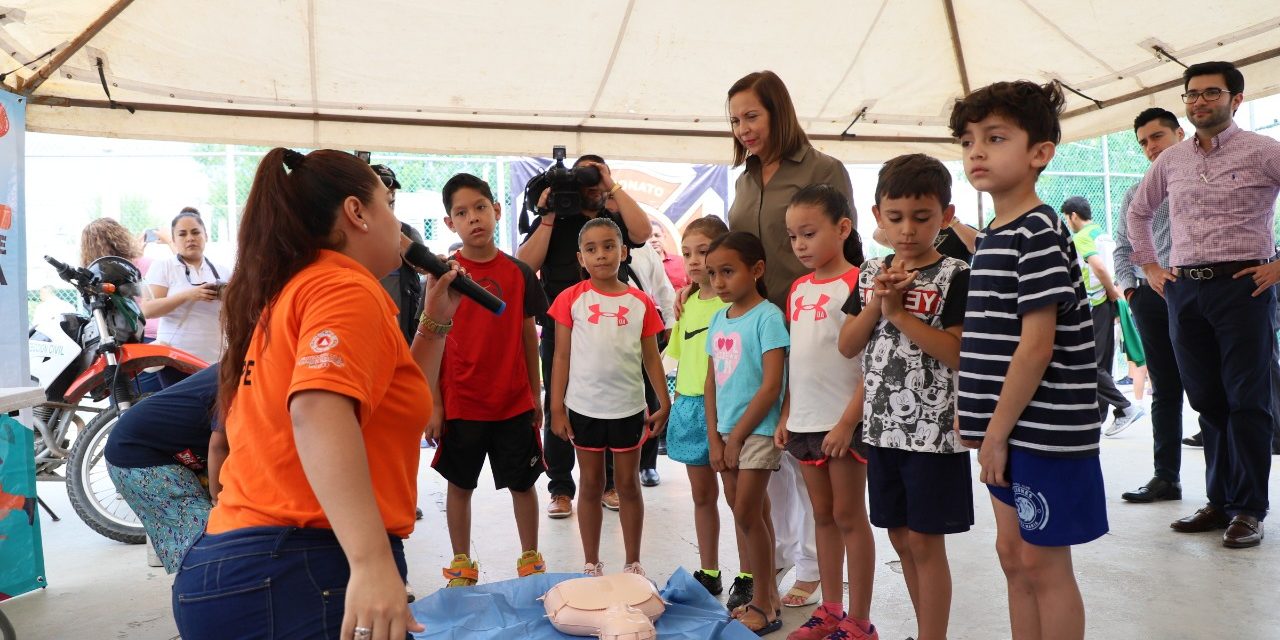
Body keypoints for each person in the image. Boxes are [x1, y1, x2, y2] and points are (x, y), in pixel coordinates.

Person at [172, 148, 463, 640]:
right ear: (356, 213)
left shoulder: (296, 291)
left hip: (238, 565)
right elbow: (317, 411)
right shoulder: (343, 288)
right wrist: (370, 561)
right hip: (300, 564)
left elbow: (387, 399)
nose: (398, 223)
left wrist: (435, 323)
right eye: (388, 205)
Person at [952, 80, 1108, 640]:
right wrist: (975, 414)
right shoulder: (994, 233)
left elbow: (1036, 345)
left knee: (1043, 563)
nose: (977, 151)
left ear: (1040, 153)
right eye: (969, 140)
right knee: (1013, 555)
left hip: (1041, 431)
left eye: (995, 138)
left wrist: (995, 432)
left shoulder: (1038, 231)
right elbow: (988, 339)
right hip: (1008, 431)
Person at [1127, 61, 1280, 548]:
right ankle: (1219, 501)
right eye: (1191, 94)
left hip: (1245, 287)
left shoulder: (1264, 151)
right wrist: (1150, 266)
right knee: (1208, 400)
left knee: (1247, 401)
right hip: (1184, 291)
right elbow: (1138, 211)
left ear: (1236, 99)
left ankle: (1250, 509)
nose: (1199, 102)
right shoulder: (1170, 161)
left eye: (1211, 93)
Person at [840, 155, 973, 640]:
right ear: (877, 216)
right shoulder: (869, 273)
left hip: (934, 433)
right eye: (895, 218)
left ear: (946, 215)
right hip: (881, 430)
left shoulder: (957, 275)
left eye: (922, 217)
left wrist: (899, 316)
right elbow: (848, 345)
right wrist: (879, 301)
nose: (908, 230)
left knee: (925, 541)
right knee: (900, 536)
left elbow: (958, 353)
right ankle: (924, 629)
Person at [726, 69, 835, 604]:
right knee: (769, 452)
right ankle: (784, 555)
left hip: (809, 327)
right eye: (735, 120)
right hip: (757, 332)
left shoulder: (823, 169)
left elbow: (843, 255)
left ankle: (814, 566)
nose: (743, 129)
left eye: (752, 116)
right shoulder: (743, 179)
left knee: (806, 452)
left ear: (779, 112)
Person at [428, 173, 549, 587]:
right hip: (462, 401)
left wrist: (536, 392)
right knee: (460, 486)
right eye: (461, 213)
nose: (473, 218)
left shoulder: (517, 273)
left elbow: (525, 335)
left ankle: (530, 558)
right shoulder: (446, 275)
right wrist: (435, 403)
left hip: (513, 401)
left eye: (480, 207)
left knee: (523, 484)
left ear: (496, 211)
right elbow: (432, 340)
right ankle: (461, 562)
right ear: (450, 224)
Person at [517, 154, 651, 519]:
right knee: (557, 401)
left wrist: (613, 187)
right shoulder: (557, 220)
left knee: (609, 401)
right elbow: (524, 266)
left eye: (594, 178)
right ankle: (560, 488)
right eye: (582, 179)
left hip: (612, 327)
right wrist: (546, 216)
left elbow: (642, 233)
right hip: (563, 326)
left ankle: (609, 483)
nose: (588, 187)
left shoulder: (612, 224)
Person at [775, 184, 878, 640]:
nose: (800, 245)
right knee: (822, 517)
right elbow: (800, 359)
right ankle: (831, 610)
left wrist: (847, 421)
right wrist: (786, 415)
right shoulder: (797, 289)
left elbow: (870, 365)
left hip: (844, 424)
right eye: (793, 236)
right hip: (804, 423)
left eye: (809, 233)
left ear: (842, 228)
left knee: (850, 517)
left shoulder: (861, 282)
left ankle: (859, 618)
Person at [548, 217, 670, 577]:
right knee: (590, 484)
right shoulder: (570, 299)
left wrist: (664, 402)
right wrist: (557, 406)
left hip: (629, 410)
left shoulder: (641, 303)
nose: (600, 255)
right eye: (591, 249)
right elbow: (560, 356)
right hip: (583, 409)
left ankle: (633, 561)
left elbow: (651, 357)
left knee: (629, 485)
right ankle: (591, 562)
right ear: (580, 259)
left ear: (624, 252)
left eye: (608, 246)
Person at [705, 231, 789, 635]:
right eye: (712, 274)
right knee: (755, 514)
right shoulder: (719, 318)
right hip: (726, 433)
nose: (718, 282)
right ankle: (769, 597)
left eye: (727, 272)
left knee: (746, 513)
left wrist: (736, 437)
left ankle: (763, 604)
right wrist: (715, 437)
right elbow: (710, 384)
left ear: (756, 270)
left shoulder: (768, 316)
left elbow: (772, 385)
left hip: (756, 432)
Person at [1112, 107, 1196, 502]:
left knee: (1210, 387)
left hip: (1199, 292)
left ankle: (1228, 489)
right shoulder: (1134, 192)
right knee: (1165, 388)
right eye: (1143, 142)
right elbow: (1122, 249)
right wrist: (1131, 292)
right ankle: (1166, 477)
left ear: (1180, 133)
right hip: (1150, 299)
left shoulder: (1202, 179)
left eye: (1157, 136)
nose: (1150, 147)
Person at [664, 215, 731, 596]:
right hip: (689, 405)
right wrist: (665, 402)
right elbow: (674, 357)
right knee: (702, 495)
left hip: (727, 409)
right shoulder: (685, 303)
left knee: (742, 501)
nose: (693, 260)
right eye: (687, 252)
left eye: (702, 251)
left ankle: (750, 575)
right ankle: (710, 570)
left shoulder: (731, 304)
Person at [105, 365, 227, 573]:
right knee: (207, 539)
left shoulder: (251, 363)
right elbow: (219, 446)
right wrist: (218, 499)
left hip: (174, 451)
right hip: (138, 454)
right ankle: (200, 594)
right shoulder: (244, 375)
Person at [1060, 196, 1146, 433]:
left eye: (1066, 218)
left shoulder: (1081, 237)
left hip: (1098, 301)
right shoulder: (1104, 234)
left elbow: (1097, 266)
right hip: (1108, 302)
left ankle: (1125, 407)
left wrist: (1111, 293)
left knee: (1090, 364)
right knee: (1102, 364)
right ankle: (1099, 419)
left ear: (1072, 216)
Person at [141, 208, 230, 387]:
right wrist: (189, 295)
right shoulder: (164, 267)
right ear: (173, 240)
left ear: (205, 235)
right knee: (181, 413)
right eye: (182, 234)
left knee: (216, 412)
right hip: (175, 360)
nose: (190, 238)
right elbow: (147, 310)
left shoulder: (222, 271)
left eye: (196, 232)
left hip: (215, 359)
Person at [80, 217, 162, 391]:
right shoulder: (145, 264)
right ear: (120, 237)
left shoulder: (92, 277)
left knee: (120, 393)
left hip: (116, 341)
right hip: (151, 335)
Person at [872, 218, 978, 263]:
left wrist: (952, 221)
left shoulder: (959, 229)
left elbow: (981, 245)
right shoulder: (912, 231)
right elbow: (878, 237)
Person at [651, 219, 690, 290]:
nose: (654, 240)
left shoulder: (681, 261)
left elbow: (694, 286)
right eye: (649, 237)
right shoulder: (641, 267)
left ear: (664, 237)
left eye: (657, 235)